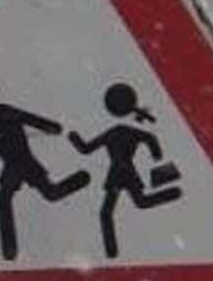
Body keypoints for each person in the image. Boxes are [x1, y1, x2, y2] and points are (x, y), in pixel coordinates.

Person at [0, 66, 90, 261]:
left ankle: (82, 178)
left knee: (39, 195)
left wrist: (52, 127)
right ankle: (9, 251)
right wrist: (52, 127)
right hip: (15, 164)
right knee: (15, 198)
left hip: (22, 162)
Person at [69, 83, 182, 259]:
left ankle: (111, 251)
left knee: (108, 212)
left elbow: (86, 148)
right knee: (138, 203)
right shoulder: (129, 132)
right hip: (126, 172)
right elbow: (150, 138)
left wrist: (73, 137)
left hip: (118, 173)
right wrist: (156, 154)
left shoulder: (114, 132)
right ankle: (174, 193)